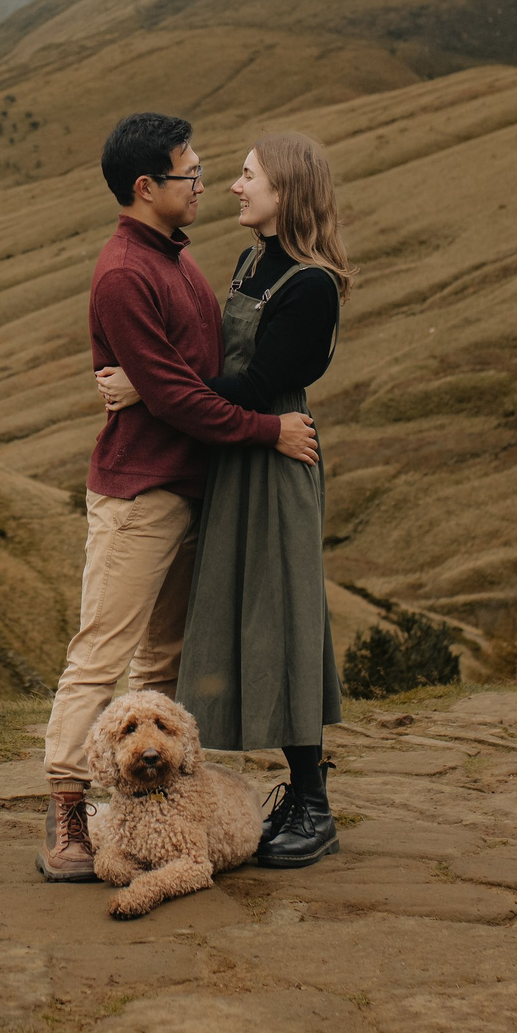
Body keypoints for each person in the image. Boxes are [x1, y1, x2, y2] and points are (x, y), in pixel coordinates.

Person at [38, 112, 321, 883]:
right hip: (141, 491)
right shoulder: (128, 273)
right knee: (100, 655)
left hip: (190, 485)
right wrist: (266, 430)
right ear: (146, 186)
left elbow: (184, 377)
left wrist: (153, 387)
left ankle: (148, 800)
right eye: (190, 174)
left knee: (159, 659)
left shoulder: (176, 258)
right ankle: (67, 815)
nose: (205, 184)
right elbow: (179, 398)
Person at [96, 131, 349, 867]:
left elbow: (251, 384)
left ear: (285, 191)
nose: (233, 187)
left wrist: (148, 385)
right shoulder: (252, 262)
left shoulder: (309, 285)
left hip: (273, 456)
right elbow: (213, 360)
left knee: (287, 618)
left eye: (247, 177)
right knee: (243, 618)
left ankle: (312, 801)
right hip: (238, 454)